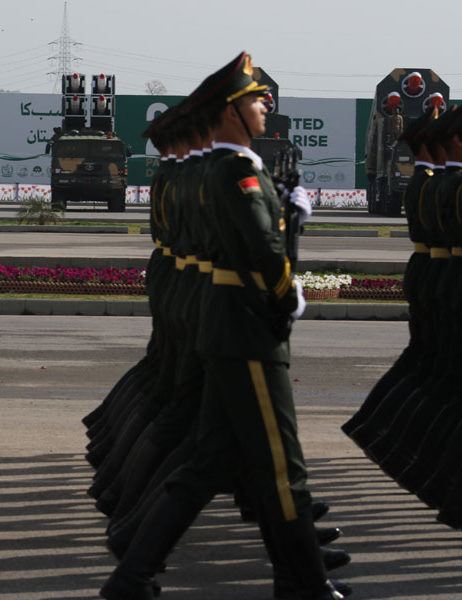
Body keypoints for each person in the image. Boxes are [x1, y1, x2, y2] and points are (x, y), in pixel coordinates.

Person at [100, 52, 344, 600]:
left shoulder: (218, 170)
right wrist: (288, 296)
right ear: (232, 112)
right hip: (247, 331)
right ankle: (304, 583)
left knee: (209, 462)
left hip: (225, 323)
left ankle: (133, 575)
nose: (265, 106)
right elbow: (259, 248)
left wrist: (283, 211)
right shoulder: (236, 171)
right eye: (256, 99)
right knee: (282, 466)